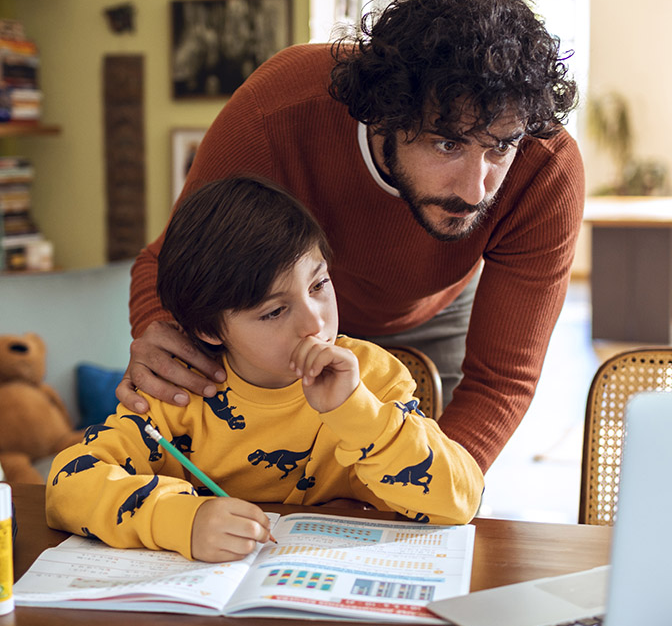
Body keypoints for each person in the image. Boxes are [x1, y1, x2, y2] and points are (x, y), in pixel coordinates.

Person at [118, 0, 584, 473]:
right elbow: (166, 263)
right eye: (446, 144)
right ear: (384, 114)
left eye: (499, 148)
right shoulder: (275, 114)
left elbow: (500, 381)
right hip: (279, 323)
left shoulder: (546, 169)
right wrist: (161, 328)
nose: (475, 190)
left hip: (435, 316)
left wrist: (433, 488)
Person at [47, 178, 483, 562]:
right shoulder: (177, 392)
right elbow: (68, 483)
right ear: (209, 329)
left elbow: (461, 501)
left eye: (319, 285)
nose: (314, 323)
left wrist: (359, 413)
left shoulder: (374, 377)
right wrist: (181, 520)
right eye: (274, 311)